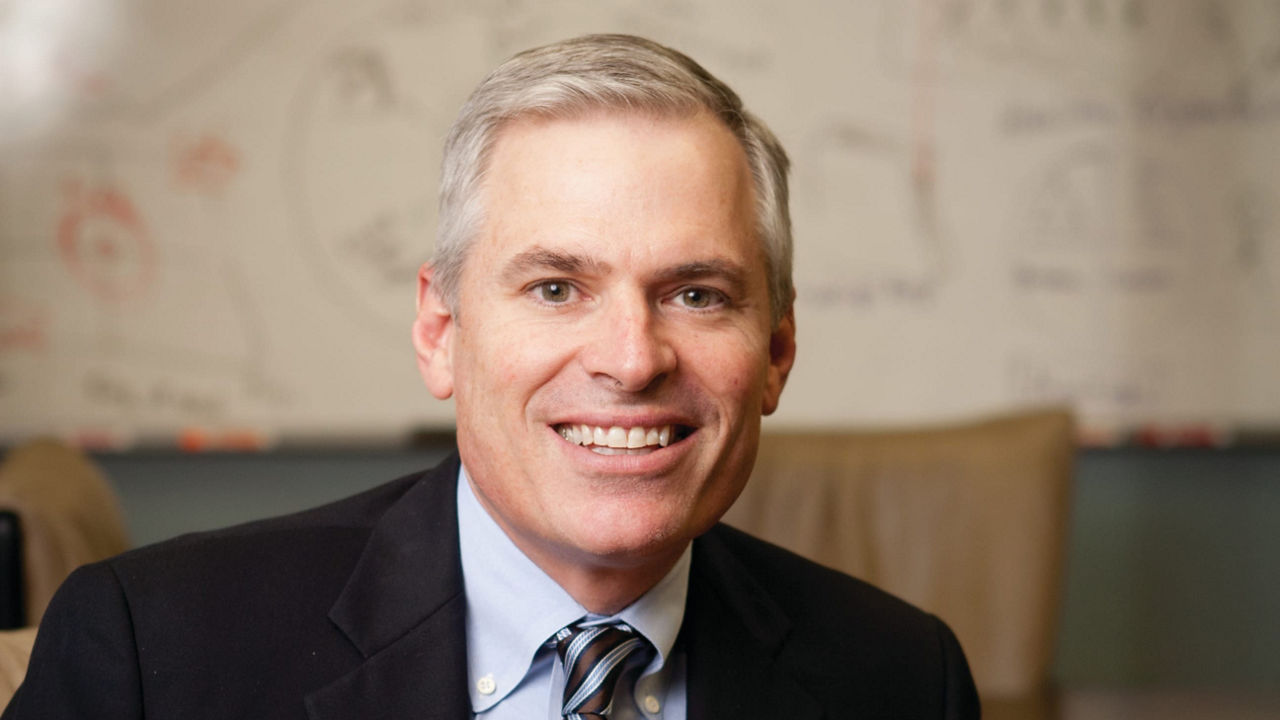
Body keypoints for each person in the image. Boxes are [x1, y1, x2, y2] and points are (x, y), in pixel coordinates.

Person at [4, 34, 979, 719]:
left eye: (695, 294)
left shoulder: (899, 677)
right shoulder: (154, 654)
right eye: (556, 287)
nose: (630, 359)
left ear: (775, 353)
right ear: (439, 330)